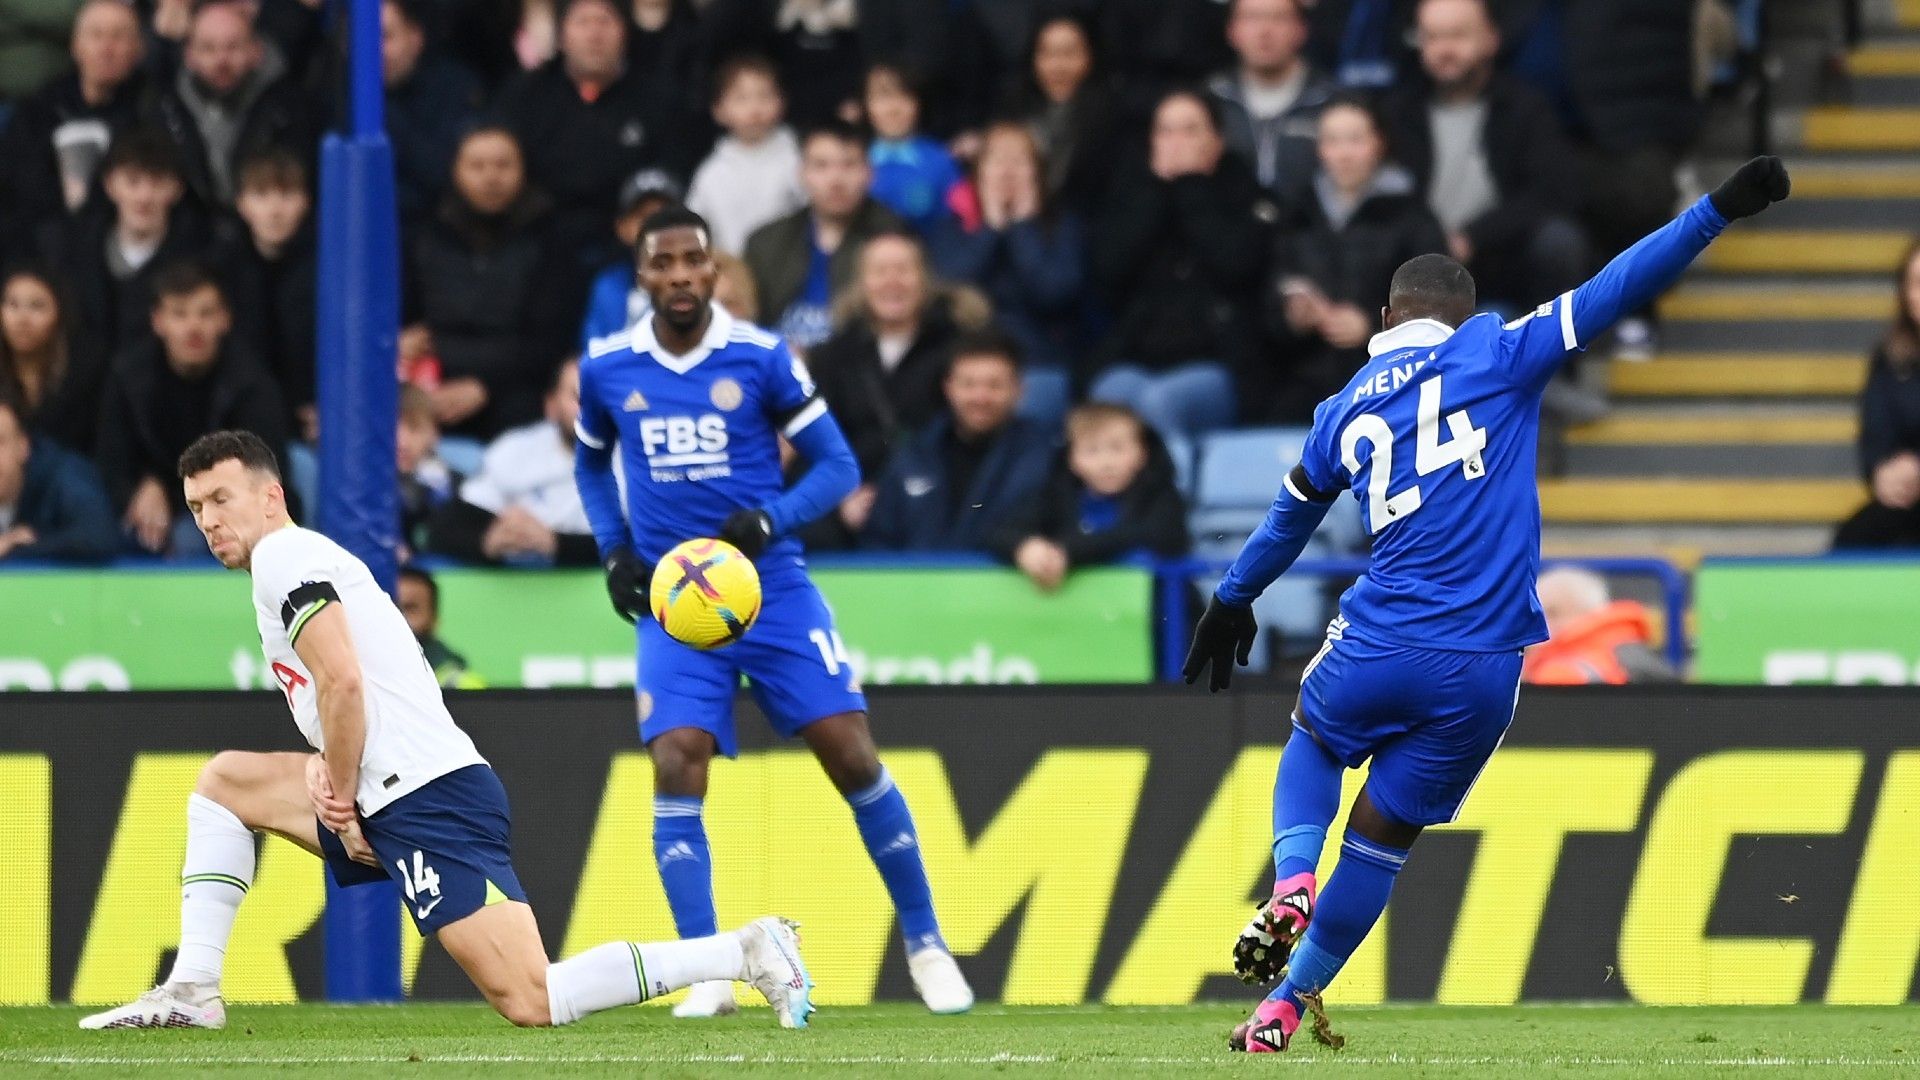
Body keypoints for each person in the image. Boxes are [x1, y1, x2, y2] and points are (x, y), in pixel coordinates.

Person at [1180, 156, 1787, 1053]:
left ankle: (1293, 877)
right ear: (1458, 317)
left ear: (1387, 319)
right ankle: (1281, 1008)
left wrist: (1233, 598)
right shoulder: (1501, 349)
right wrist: (1714, 212)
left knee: (1313, 739)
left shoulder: (1344, 407)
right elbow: (1619, 282)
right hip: (1485, 670)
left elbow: (1286, 518)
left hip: (1381, 639)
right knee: (1383, 841)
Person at [79, 429, 814, 1031]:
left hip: (425, 794)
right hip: (390, 785)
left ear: (270, 497)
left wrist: (338, 791)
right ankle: (192, 988)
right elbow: (351, 686)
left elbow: (343, 680)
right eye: (196, 505)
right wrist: (330, 774)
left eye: (221, 499)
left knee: (533, 998)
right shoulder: (295, 558)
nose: (207, 519)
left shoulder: (282, 555)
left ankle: (745, 950)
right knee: (225, 784)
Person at [573, 205, 974, 1017]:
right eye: (664, 263)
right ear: (642, 276)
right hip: (674, 599)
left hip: (769, 587)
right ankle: (708, 973)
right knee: (676, 755)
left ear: (714, 272)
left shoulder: (761, 357)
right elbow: (589, 462)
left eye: (695, 261)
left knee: (850, 751)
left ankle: (927, 943)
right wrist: (614, 549)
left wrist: (772, 519)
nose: (681, 276)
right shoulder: (607, 366)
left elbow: (838, 465)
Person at [1090, 89, 1276, 438]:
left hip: (1219, 364)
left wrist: (1192, 187)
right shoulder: (1131, 194)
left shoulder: (1247, 195)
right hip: (1138, 358)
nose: (1177, 143)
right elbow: (1108, 270)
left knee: (1160, 402)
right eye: (1166, 131)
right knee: (1107, 399)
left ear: (1217, 141)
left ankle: (1171, 494)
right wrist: (1156, 193)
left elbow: (1237, 264)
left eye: (1190, 131)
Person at [1382, 0, 1586, 317]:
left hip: (1503, 259)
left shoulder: (1525, 107)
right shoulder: (1397, 114)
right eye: (1432, 37)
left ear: (1491, 38)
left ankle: (1554, 354)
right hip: (1419, 262)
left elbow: (1552, 192)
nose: (1444, 49)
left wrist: (1473, 237)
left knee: (1558, 243)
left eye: (1458, 36)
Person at [1265, 94, 1446, 420]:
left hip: (1393, 380)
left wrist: (1373, 326)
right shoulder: (1297, 214)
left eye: (1355, 139)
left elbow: (1439, 303)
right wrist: (1292, 315)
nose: (1344, 154)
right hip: (1306, 378)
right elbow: (1273, 285)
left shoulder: (1412, 216)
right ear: (1319, 149)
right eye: (1332, 141)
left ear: (1379, 143)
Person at [95, 261, 288, 558]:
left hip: (228, 503)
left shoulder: (251, 383)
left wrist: (177, 495)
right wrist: (141, 488)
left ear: (225, 319)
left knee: (192, 537)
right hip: (148, 504)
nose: (193, 327)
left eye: (205, 313)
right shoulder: (128, 376)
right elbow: (112, 457)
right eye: (179, 314)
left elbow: (263, 469)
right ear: (158, 321)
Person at [494, 0, 703, 261]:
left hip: (631, 248)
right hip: (538, 244)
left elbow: (670, 176)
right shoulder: (524, 97)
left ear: (625, 32)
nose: (594, 34)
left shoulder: (660, 102)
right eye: (582, 22)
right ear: (561, 35)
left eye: (605, 21)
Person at [404, 126, 576, 439]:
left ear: (523, 169)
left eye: (502, 165)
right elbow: (407, 318)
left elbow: (551, 339)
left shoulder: (550, 236)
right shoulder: (424, 235)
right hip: (430, 384)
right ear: (455, 169)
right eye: (477, 166)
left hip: (516, 389)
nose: (491, 177)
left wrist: (485, 385)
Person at [927, 121, 1085, 423]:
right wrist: (992, 228)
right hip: (962, 361)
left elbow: (1054, 293)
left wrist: (1023, 228)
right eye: (997, 159)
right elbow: (947, 288)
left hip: (1037, 362)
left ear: (1038, 173)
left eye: (1019, 160)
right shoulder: (953, 226)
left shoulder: (1062, 226)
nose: (1007, 171)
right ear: (979, 171)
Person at [808, 228, 991, 484]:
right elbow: (820, 442)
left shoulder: (959, 348)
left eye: (904, 270)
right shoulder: (832, 356)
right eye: (880, 271)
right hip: (856, 491)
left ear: (925, 279)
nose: (892, 282)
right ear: (861, 283)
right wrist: (843, 496)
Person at [863, 330, 1054, 553]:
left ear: (1019, 390)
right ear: (949, 388)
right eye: (968, 384)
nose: (981, 397)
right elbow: (878, 542)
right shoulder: (914, 455)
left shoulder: (1046, 457)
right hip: (916, 586)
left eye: (994, 385)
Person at [38, 128, 208, 364]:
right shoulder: (69, 251)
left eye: (157, 182)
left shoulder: (202, 257)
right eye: (132, 181)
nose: (144, 196)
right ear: (110, 185)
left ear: (177, 189)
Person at [0, 0, 149, 259]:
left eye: (118, 36)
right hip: (43, 253)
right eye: (96, 35)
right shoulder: (39, 111)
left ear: (138, 49)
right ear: (75, 46)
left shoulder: (154, 112)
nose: (106, 48)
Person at [989, 402, 1187, 592]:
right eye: (1092, 451)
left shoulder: (1159, 495)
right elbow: (1000, 531)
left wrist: (1069, 551)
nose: (1106, 462)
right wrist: (1025, 547)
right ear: (1072, 459)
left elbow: (1159, 535)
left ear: (1142, 453)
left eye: (1117, 448)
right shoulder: (1055, 496)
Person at [743, 120, 904, 354]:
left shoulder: (893, 238)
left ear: (869, 173)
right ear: (802, 174)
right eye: (821, 166)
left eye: (849, 165)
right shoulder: (765, 242)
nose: (836, 180)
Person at [425, 358, 600, 567]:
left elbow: (640, 548)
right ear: (551, 406)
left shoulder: (638, 456)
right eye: (579, 397)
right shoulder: (514, 451)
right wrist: (487, 542)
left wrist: (556, 544)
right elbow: (444, 529)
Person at [147, 0, 314, 207]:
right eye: (208, 48)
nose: (221, 60)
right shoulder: (166, 108)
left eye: (233, 47)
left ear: (257, 51)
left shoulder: (290, 109)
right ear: (188, 55)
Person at [216, 148, 316, 440]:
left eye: (286, 195)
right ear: (241, 204)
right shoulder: (220, 271)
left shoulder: (329, 269)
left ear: (306, 202)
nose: (275, 210)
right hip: (241, 425)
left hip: (311, 425)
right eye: (261, 195)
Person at [1207, 0, 1337, 211]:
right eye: (1252, 18)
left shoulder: (1334, 102)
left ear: (1302, 30)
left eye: (1278, 18)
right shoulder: (1208, 101)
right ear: (1231, 31)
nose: (1264, 31)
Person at [1834, 241, 1920, 550]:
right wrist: (1882, 472)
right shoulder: (1888, 359)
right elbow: (1875, 433)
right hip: (1906, 502)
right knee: (1853, 540)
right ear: (1904, 294)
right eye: (1918, 284)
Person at [686, 55, 807, 257]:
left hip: (789, 271)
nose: (755, 109)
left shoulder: (798, 159)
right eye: (741, 98)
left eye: (764, 96)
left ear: (781, 102)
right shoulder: (712, 173)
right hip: (733, 274)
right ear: (718, 110)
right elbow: (695, 228)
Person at [1001, 12, 1117, 213]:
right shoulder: (1012, 111)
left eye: (1069, 53)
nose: (1058, 66)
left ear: (1090, 57)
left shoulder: (1111, 120)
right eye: (1047, 53)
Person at [382, 0, 483, 223]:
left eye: (385, 37)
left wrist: (386, 114)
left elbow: (446, 173)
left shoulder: (455, 87)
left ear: (415, 38)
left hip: (436, 230)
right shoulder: (336, 90)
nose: (374, 52)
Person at [0, 264, 107, 455]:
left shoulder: (85, 372)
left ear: (59, 312)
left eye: (37, 306)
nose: (22, 319)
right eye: (12, 304)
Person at [0, 394, 118, 562]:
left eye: (0, 441)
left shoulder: (62, 476)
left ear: (23, 446)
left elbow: (99, 536)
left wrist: (18, 547)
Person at [578, 168, 683, 349]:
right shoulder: (608, 284)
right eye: (644, 217)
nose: (655, 227)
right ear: (622, 228)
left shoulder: (698, 282)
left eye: (665, 216)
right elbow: (593, 349)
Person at [1523, 566, 1677, 684]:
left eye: (1553, 613)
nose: (1539, 624)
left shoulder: (1559, 673)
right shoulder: (1633, 654)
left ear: (1588, 612)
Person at [862, 62, 960, 235]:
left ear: (918, 104)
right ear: (866, 104)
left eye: (904, 96)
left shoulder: (940, 161)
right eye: (883, 96)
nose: (893, 108)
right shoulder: (850, 160)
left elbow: (955, 230)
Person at [397, 565, 484, 689]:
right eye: (391, 606)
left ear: (434, 619)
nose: (399, 617)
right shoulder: (363, 676)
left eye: (410, 608)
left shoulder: (461, 684)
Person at [396, 382, 458, 554]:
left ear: (434, 434)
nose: (402, 443)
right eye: (390, 430)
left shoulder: (453, 485)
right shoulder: (358, 489)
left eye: (414, 428)